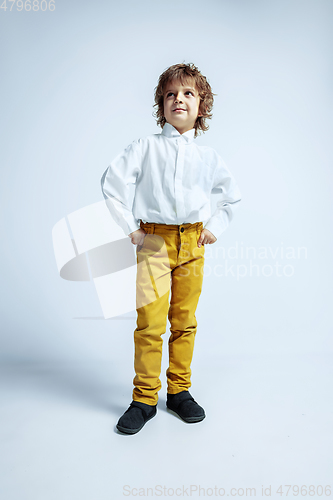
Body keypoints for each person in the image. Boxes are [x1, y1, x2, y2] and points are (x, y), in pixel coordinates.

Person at [101, 62, 242, 434]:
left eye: (188, 94)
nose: (178, 99)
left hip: (192, 244)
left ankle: (179, 391)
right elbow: (111, 185)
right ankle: (144, 398)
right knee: (149, 322)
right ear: (161, 105)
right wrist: (131, 229)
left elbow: (232, 199)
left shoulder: (209, 158)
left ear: (202, 106)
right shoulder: (145, 147)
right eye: (170, 94)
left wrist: (214, 228)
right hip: (154, 242)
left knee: (184, 322)